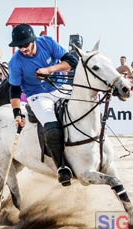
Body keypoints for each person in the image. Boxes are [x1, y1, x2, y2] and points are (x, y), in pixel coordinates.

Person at [8, 23, 78, 186]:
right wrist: (17, 114)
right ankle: (62, 167)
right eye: (19, 46)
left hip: (61, 87)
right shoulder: (15, 63)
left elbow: (71, 61)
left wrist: (49, 69)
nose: (23, 49)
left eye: (25, 44)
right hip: (37, 95)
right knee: (52, 127)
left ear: (33, 40)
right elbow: (15, 89)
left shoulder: (47, 42)